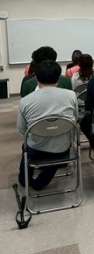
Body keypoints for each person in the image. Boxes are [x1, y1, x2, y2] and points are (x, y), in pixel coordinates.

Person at [17, 60, 78, 191]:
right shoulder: (71, 96)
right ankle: (41, 181)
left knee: (26, 147)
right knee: (55, 149)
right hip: (63, 148)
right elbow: (75, 120)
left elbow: (22, 130)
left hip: (36, 149)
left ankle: (25, 180)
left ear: (36, 77)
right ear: (58, 77)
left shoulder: (25, 101)